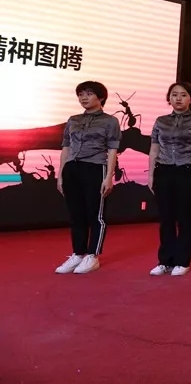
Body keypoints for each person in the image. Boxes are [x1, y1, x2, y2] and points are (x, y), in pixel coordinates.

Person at [55, 81, 121, 274]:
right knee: (76, 214)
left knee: (96, 215)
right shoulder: (73, 120)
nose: (83, 98)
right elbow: (66, 147)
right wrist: (60, 175)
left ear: (101, 97)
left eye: (89, 94)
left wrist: (109, 177)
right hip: (72, 168)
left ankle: (93, 255)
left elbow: (112, 150)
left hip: (95, 167)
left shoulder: (110, 121)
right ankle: (78, 253)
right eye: (81, 94)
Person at [147, 82, 191, 276]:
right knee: (165, 218)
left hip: (187, 171)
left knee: (184, 218)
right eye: (174, 95)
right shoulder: (160, 121)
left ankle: (183, 261)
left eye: (183, 95)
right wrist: (151, 175)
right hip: (163, 170)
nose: (178, 98)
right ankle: (165, 261)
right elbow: (154, 150)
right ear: (169, 98)